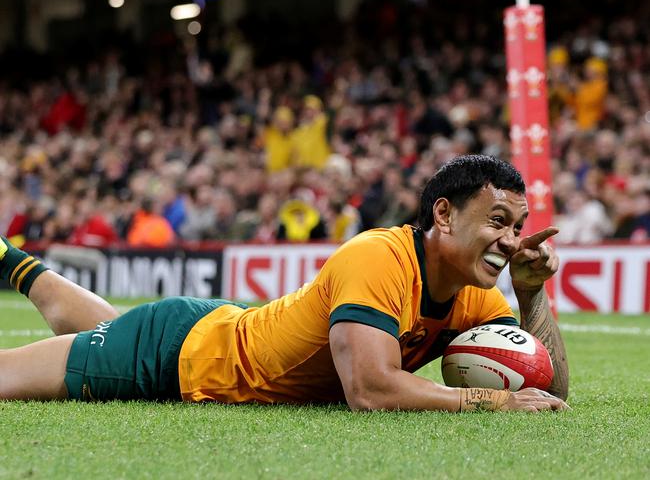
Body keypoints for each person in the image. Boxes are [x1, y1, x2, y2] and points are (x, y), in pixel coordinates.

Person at [0, 155, 569, 412]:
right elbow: (371, 391)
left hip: (216, 329)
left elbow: (548, 392)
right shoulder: (377, 256)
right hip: (177, 355)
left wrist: (531, 293)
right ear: (443, 215)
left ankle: (15, 264)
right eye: (498, 223)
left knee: (102, 331)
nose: (513, 241)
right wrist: (491, 400)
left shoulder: (479, 294)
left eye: (517, 227)